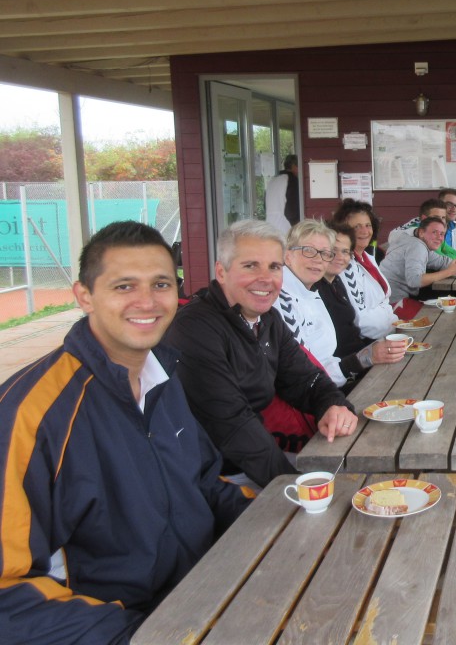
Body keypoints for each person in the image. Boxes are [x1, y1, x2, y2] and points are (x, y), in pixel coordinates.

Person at [0, 221, 249, 644]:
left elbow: (207, 484)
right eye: (124, 286)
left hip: (206, 595)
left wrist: (280, 518)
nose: (147, 301)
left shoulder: (162, 376)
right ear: (84, 296)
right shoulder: (31, 414)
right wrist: (142, 634)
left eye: (161, 284)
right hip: (123, 629)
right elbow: (8, 593)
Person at [164, 219, 358, 489]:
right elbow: (233, 426)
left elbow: (306, 380)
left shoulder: (267, 319)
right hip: (214, 478)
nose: (266, 278)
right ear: (221, 272)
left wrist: (333, 406)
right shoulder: (195, 328)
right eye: (250, 266)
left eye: (274, 267)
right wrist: (292, 485)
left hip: (256, 458)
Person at [314, 224, 407, 386]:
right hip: (343, 372)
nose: (340, 257)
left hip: (359, 359)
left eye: (345, 251)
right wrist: (366, 356)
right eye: (333, 250)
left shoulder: (336, 282)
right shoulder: (314, 290)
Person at [274, 220, 351, 387]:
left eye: (325, 253)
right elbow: (301, 372)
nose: (318, 260)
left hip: (328, 385)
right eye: (308, 251)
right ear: (287, 256)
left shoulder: (310, 292)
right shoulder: (279, 298)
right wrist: (356, 363)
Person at [331, 199, 397, 339]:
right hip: (371, 340)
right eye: (357, 227)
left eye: (368, 225)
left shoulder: (367, 257)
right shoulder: (345, 265)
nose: (365, 231)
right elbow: (360, 320)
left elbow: (384, 302)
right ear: (344, 231)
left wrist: (395, 324)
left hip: (390, 329)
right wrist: (393, 325)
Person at [380, 216, 456, 305]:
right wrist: (449, 272)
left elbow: (444, 262)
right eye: (434, 232)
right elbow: (414, 281)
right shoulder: (417, 246)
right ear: (421, 232)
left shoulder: (419, 243)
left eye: (442, 234)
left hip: (395, 295)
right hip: (392, 302)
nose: (439, 237)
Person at [387, 198, 456, 259]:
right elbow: (439, 259)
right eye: (436, 217)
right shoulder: (420, 234)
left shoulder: (434, 231)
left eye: (443, 218)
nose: (441, 221)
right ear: (424, 218)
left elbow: (451, 252)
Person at [265, 154, 299, 234]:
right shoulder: (292, 180)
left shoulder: (273, 180)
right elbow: (292, 210)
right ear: (294, 166)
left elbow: (265, 205)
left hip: (270, 225)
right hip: (285, 226)